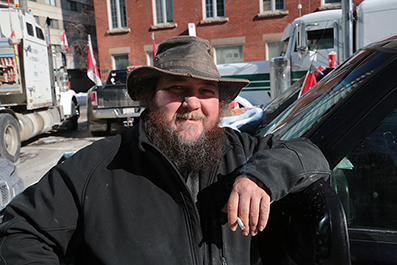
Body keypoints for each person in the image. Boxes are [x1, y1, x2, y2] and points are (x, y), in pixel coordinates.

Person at [0, 36, 330, 264]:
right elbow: (19, 230)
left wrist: (261, 177)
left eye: (205, 90)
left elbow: (312, 156)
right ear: (150, 98)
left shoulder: (243, 153)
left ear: (220, 103)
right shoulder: (98, 167)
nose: (192, 103)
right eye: (177, 88)